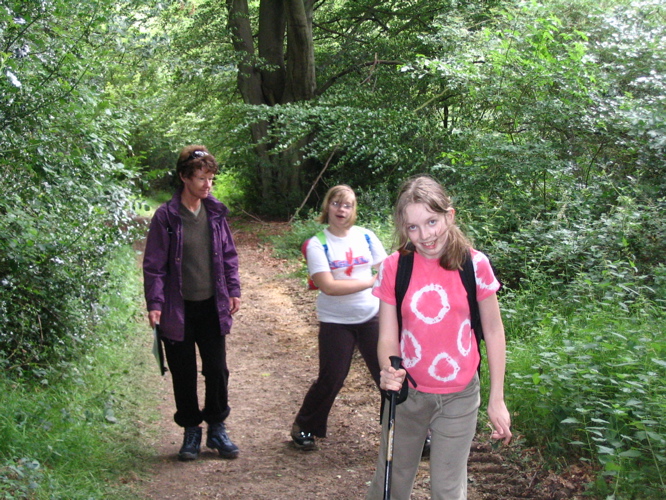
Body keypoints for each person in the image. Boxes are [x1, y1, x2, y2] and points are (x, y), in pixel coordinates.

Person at [366, 175, 511, 500]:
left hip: (460, 396)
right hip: (406, 394)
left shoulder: (475, 265)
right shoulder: (393, 268)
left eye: (432, 221)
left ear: (450, 215)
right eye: (413, 227)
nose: (425, 235)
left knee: (448, 489)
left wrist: (496, 398)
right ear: (403, 229)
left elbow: (493, 330)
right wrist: (388, 370)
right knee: (392, 482)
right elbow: (388, 335)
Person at [143, 145, 241, 461]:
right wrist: (154, 303)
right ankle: (191, 431)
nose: (207, 185)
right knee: (183, 373)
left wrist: (233, 289)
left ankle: (216, 428)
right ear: (184, 177)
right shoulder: (166, 217)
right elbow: (154, 264)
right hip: (177, 308)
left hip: (212, 305)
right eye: (201, 178)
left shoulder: (215, 212)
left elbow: (228, 255)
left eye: (211, 179)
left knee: (217, 369)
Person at [291, 185, 388, 450]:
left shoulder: (366, 237)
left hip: (372, 316)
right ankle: (304, 426)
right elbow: (329, 286)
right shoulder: (316, 244)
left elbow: (387, 270)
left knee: (388, 375)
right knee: (332, 376)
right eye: (335, 204)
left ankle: (405, 432)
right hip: (336, 321)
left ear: (354, 210)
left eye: (347, 205)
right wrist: (371, 281)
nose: (341, 210)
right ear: (327, 207)